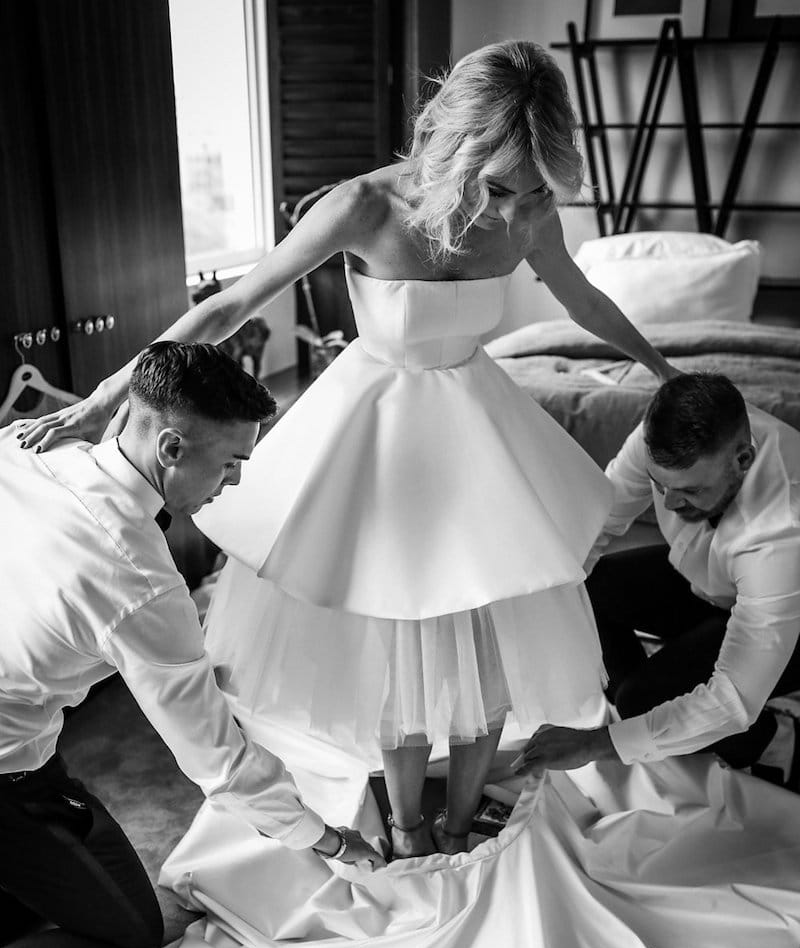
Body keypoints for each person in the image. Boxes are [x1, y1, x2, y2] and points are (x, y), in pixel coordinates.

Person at [17, 41, 678, 859]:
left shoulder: (532, 209)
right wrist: (101, 399)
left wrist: (664, 371)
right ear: (449, 149)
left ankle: (465, 813)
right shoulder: (364, 207)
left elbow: (583, 299)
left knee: (497, 627)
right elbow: (228, 307)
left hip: (481, 432)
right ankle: (405, 827)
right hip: (383, 437)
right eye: (498, 189)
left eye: (537, 192)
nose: (516, 214)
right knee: (403, 633)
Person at [0, 341, 382, 948]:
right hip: (9, 773)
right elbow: (220, 764)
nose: (233, 483)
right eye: (231, 463)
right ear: (171, 448)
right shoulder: (137, 579)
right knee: (129, 931)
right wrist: (326, 836)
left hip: (20, 729)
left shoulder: (21, 449)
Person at [517, 372, 800, 781]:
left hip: (792, 612)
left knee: (644, 701)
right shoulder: (654, 441)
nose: (667, 502)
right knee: (590, 588)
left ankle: (779, 744)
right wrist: (535, 611)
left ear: (743, 460)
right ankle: (657, 717)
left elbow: (733, 697)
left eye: (689, 491)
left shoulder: (782, 531)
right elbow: (593, 531)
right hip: (711, 585)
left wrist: (595, 745)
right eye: (657, 483)